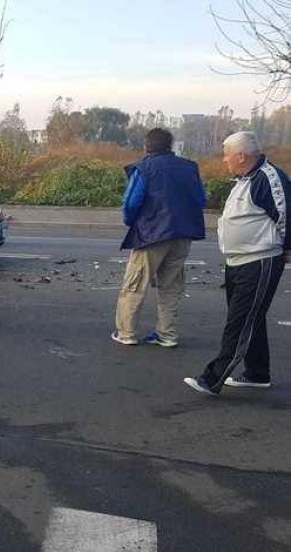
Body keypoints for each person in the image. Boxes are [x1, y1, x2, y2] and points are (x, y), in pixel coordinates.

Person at [184, 131, 291, 396]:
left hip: (260, 260)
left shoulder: (267, 178)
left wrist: (288, 247)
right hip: (239, 261)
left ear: (241, 155)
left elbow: (286, 212)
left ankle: (213, 378)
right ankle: (257, 373)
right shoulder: (245, 179)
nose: (223, 160)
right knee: (250, 318)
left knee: (240, 320)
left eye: (226, 154)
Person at [112, 128, 206, 348]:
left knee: (135, 283)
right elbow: (201, 199)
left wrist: (132, 222)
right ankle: (167, 334)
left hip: (151, 233)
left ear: (147, 145)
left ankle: (126, 332)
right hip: (183, 233)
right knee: (171, 286)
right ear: (170, 145)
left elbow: (131, 203)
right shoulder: (190, 168)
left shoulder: (144, 168)